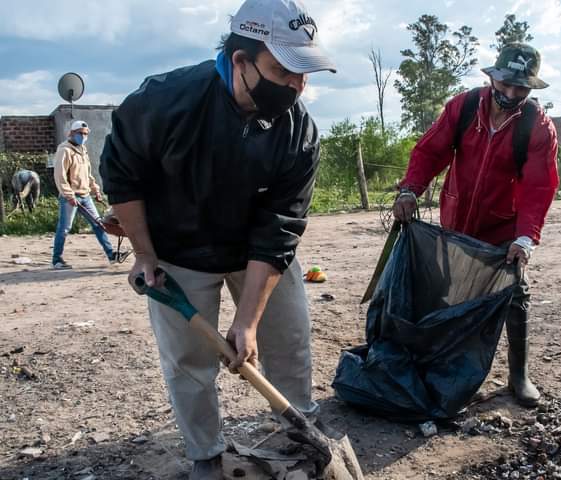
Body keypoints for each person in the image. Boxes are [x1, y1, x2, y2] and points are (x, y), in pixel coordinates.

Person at [99, 0, 335, 477]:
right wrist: (144, 253)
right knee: (188, 359)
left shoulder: (299, 132)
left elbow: (280, 227)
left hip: (257, 249)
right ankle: (205, 453)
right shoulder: (163, 102)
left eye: (303, 72)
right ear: (241, 60)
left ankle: (298, 433)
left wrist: (247, 321)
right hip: (180, 250)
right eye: (284, 70)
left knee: (287, 340)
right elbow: (122, 176)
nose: (297, 85)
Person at [393, 43, 559, 408]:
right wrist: (410, 190)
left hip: (503, 230)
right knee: (448, 293)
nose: (512, 94)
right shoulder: (464, 107)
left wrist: (526, 237)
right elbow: (430, 151)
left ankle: (519, 376)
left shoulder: (537, 127)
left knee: (516, 294)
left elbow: (538, 186)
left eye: (521, 89)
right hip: (457, 221)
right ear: (492, 78)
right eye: (506, 85)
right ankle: (443, 365)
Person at [51, 120, 125, 270]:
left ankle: (111, 255)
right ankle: (57, 259)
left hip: (85, 195)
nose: (83, 136)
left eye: (85, 134)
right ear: (71, 133)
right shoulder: (64, 150)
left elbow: (87, 174)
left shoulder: (82, 150)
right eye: (80, 133)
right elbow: (60, 176)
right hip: (70, 196)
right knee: (64, 227)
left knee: (99, 225)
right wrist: (69, 195)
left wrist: (95, 189)